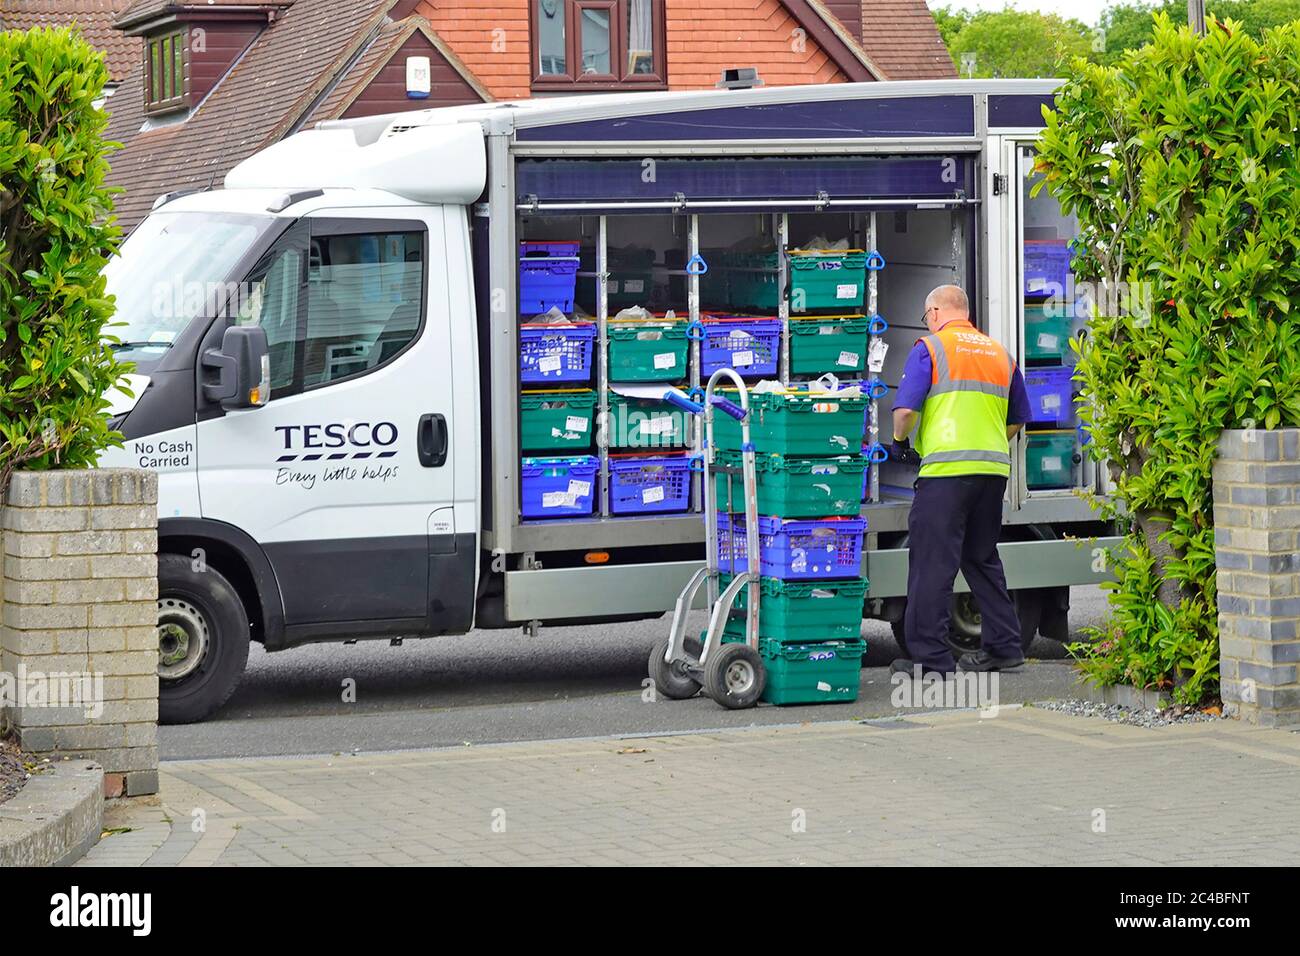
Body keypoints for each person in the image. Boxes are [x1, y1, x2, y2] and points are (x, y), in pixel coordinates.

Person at [889, 284, 1032, 677]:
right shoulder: (999, 353)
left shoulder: (930, 348)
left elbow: (903, 412)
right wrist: (986, 445)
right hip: (992, 473)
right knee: (981, 558)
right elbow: (1019, 417)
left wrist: (900, 443)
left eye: (926, 316)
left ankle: (931, 660)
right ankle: (1004, 647)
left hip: (946, 474)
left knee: (933, 564)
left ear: (934, 312)